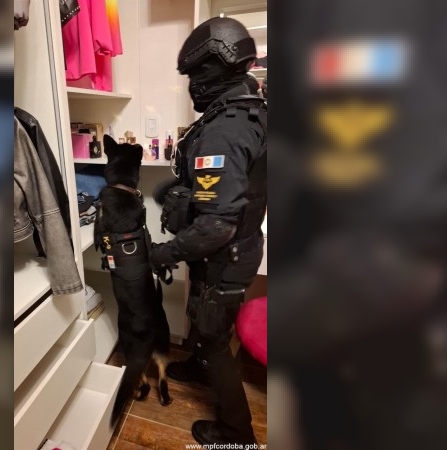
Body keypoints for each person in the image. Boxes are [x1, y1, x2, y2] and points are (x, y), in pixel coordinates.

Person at [269, 0, 447, 448]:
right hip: (374, 332)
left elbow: (393, 258)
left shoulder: (375, 17)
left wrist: (263, 323)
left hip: (405, 360)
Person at [149, 17, 267, 446]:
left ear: (215, 69)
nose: (192, 86)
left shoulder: (226, 129)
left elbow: (216, 224)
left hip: (224, 253)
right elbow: (227, 186)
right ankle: (199, 368)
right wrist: (176, 190)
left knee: (215, 339)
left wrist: (163, 253)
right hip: (233, 249)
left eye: (195, 75)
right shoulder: (248, 109)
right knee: (202, 316)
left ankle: (237, 435)